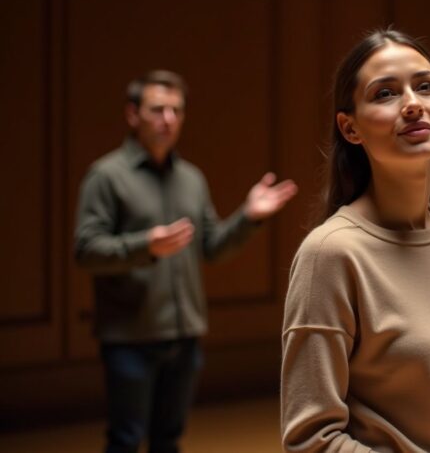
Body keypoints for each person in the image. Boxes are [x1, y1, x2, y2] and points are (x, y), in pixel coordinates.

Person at [281, 29, 430, 452]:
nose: (412, 103)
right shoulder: (330, 254)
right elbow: (312, 440)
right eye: (386, 93)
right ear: (350, 128)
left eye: (425, 87)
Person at [74, 69, 298, 453]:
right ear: (133, 114)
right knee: (125, 440)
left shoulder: (191, 179)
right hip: (131, 337)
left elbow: (212, 248)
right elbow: (86, 250)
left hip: (184, 337)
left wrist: (248, 217)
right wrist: (145, 245)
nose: (168, 119)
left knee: (169, 441)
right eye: (157, 110)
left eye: (176, 111)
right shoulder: (106, 176)